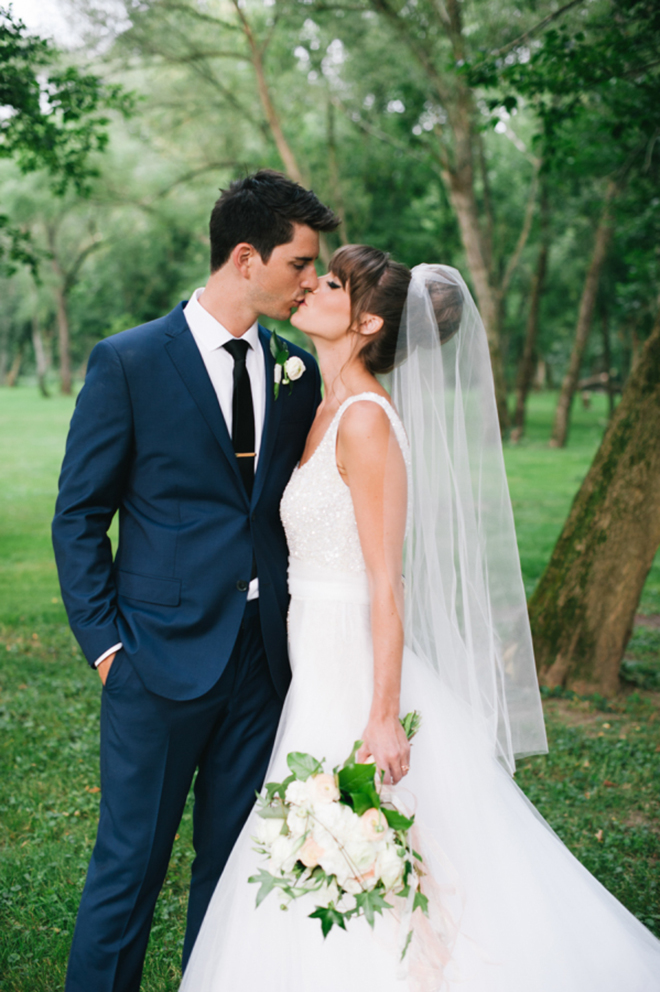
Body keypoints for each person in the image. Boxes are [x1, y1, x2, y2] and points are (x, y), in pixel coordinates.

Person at [180, 245, 660, 991]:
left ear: (366, 320)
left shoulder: (367, 421)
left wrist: (380, 716)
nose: (311, 286)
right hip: (310, 659)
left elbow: (386, 585)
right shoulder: (318, 403)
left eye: (331, 283)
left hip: (351, 665)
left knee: (362, 845)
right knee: (324, 850)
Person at [51, 169, 339, 992]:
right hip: (154, 660)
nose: (312, 282)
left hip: (260, 661)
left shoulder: (293, 369)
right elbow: (79, 516)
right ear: (246, 258)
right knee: (128, 868)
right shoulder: (131, 361)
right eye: (300, 265)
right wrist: (109, 647)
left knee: (235, 870)